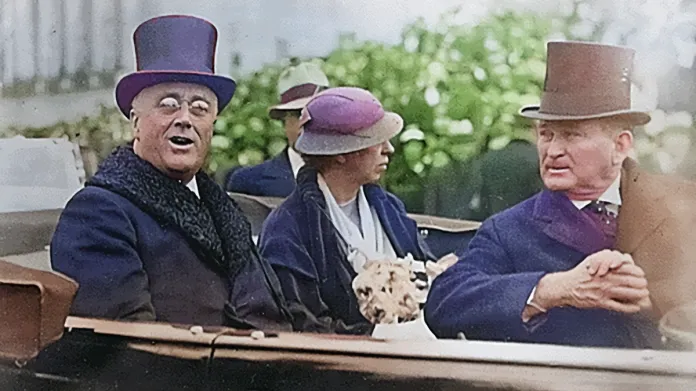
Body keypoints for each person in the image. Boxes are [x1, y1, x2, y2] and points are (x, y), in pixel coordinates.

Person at [50, 15, 292, 331]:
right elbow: (128, 345)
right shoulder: (97, 212)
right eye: (168, 104)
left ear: (212, 126)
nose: (185, 119)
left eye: (200, 108)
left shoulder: (224, 210)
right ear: (136, 122)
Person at [425, 41, 668, 349]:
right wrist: (553, 289)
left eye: (572, 134)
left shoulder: (677, 210)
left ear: (620, 146)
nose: (552, 151)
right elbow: (444, 302)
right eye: (545, 134)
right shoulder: (508, 230)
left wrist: (657, 301)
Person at [258, 87, 437, 335]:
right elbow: (303, 323)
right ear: (340, 153)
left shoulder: (387, 206)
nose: (389, 149)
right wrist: (378, 335)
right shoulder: (288, 228)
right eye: (376, 140)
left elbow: (426, 267)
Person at [225, 62, 330, 197]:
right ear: (284, 121)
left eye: (319, 112)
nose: (308, 122)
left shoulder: (352, 176)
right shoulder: (249, 182)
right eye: (298, 114)